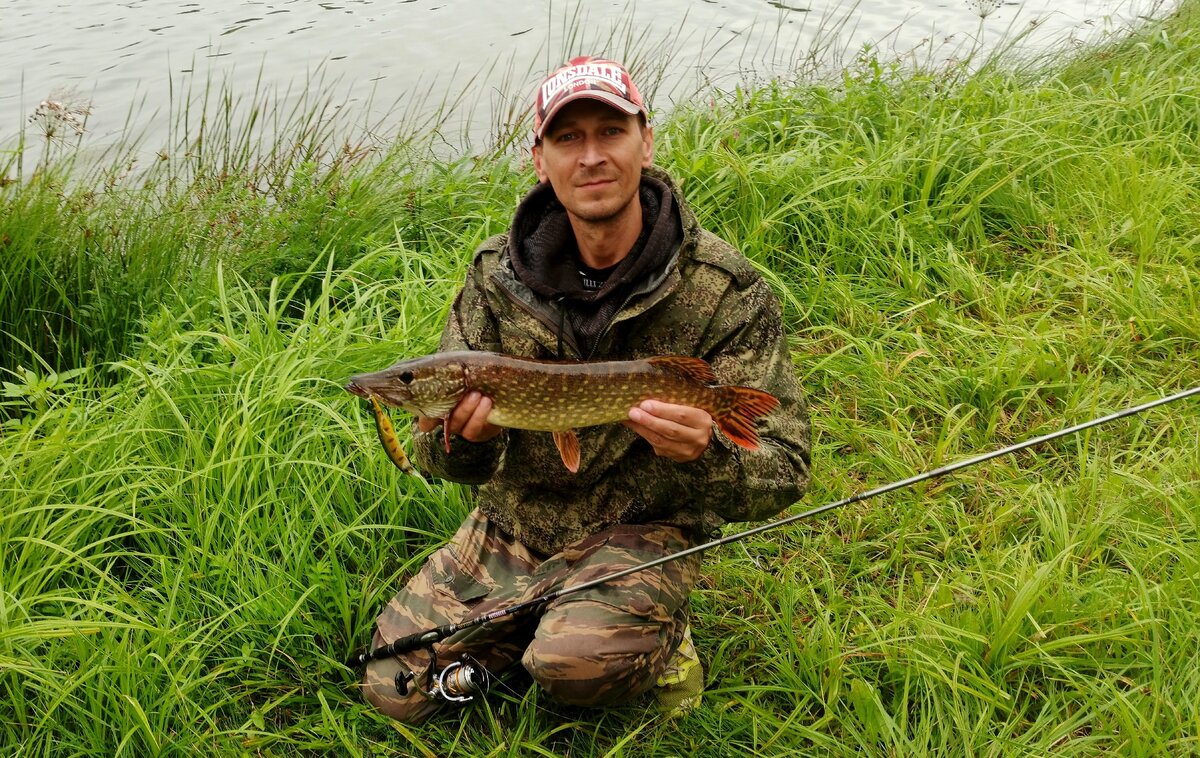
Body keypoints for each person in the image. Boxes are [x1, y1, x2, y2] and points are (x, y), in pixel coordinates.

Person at [361, 55, 811, 722]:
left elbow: (788, 470)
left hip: (643, 526)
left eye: (611, 132)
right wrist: (468, 444)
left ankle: (648, 636)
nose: (592, 156)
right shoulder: (493, 280)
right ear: (539, 159)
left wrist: (704, 452)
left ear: (646, 142)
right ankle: (532, 619)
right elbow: (437, 460)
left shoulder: (723, 290)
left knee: (574, 665)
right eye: (569, 139)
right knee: (392, 688)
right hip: (517, 522)